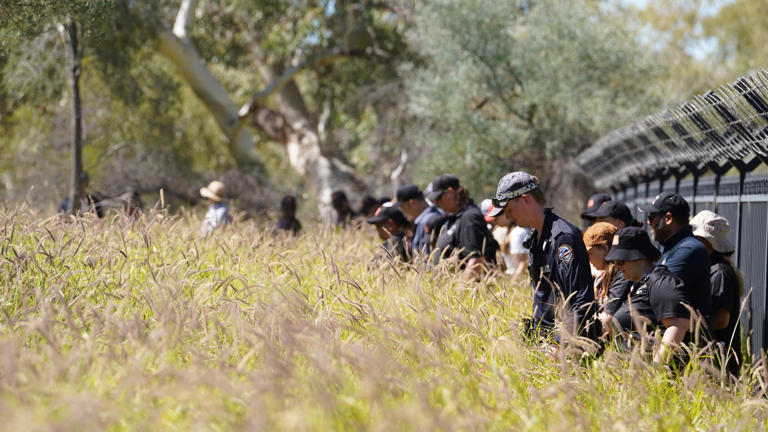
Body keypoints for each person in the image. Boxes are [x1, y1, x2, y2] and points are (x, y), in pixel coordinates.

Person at [489, 172, 595, 339]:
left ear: (525, 199)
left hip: (565, 346)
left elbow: (581, 300)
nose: (508, 217)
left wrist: (558, 344)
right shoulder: (534, 236)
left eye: (509, 209)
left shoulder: (563, 237)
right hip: (544, 339)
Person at [606, 227, 692, 365]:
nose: (617, 267)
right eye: (614, 262)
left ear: (638, 256)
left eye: (621, 261)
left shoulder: (660, 281)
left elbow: (678, 325)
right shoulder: (639, 284)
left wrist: (655, 369)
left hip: (649, 378)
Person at [639, 193, 712, 329]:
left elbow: (654, 289)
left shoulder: (689, 250)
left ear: (668, 218)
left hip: (690, 343)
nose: (648, 222)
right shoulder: (672, 246)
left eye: (652, 217)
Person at [690, 210, 742, 377]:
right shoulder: (710, 266)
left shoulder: (720, 272)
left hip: (719, 360)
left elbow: (721, 320)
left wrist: (687, 328)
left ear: (706, 241)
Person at [427, 174, 497, 277]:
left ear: (450, 192)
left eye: (438, 198)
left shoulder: (469, 218)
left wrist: (461, 290)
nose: (436, 203)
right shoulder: (454, 217)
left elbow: (475, 260)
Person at [583, 222, 632, 337]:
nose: (588, 259)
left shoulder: (622, 275)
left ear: (605, 248)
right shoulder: (602, 276)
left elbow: (606, 322)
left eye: (590, 253)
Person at [481, 199, 529, 278]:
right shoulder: (509, 232)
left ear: (505, 214)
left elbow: (522, 263)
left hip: (518, 280)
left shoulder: (517, 233)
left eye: (495, 219)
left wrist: (514, 283)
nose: (494, 223)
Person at [394, 184, 443, 255]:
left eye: (403, 207)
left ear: (412, 203)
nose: (404, 212)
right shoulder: (439, 213)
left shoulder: (425, 222)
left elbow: (425, 257)